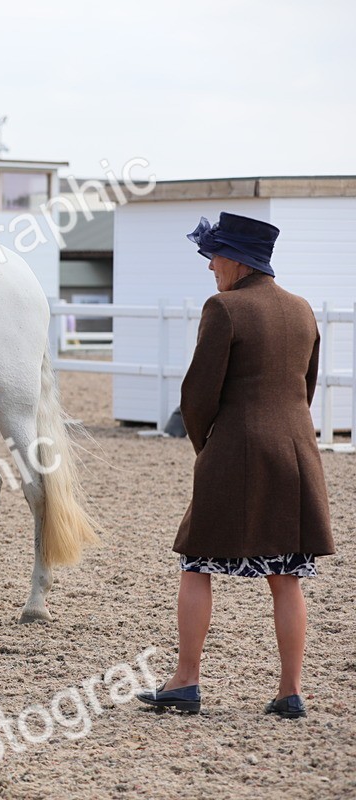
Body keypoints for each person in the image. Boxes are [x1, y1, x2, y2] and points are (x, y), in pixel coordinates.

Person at [138, 213, 335, 719]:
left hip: (236, 453)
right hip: (296, 452)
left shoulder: (224, 308)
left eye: (214, 257)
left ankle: (185, 681)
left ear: (236, 260)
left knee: (196, 561)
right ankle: (291, 692)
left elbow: (197, 395)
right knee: (286, 574)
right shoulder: (302, 309)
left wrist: (210, 446)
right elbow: (304, 389)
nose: (210, 268)